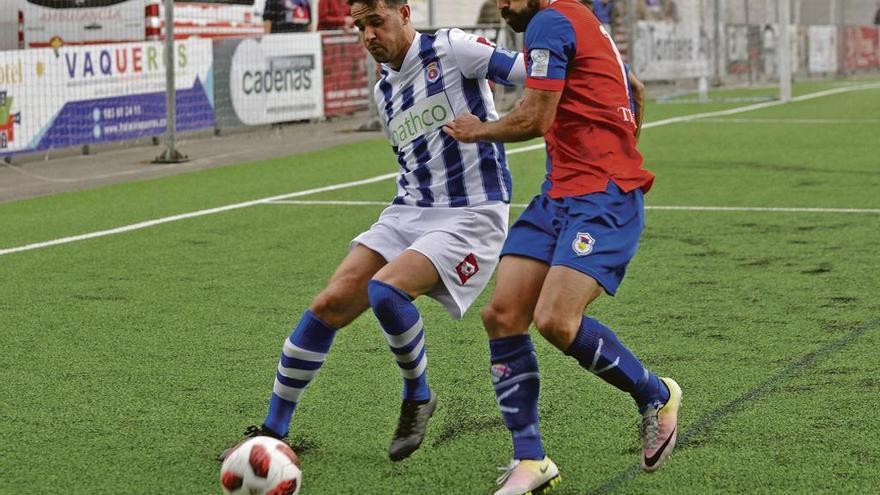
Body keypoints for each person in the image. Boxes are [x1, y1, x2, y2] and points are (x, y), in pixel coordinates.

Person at [221, 0, 527, 465]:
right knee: (328, 305)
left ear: (404, 13)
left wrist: (498, 124)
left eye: (376, 22)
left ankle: (418, 395)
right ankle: (272, 431)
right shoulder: (385, 91)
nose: (367, 36)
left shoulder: (452, 48)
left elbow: (529, 73)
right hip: (410, 210)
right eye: (359, 27)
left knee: (385, 292)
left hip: (472, 213)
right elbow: (411, 164)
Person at [444, 1, 681, 494]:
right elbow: (633, 89)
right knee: (503, 314)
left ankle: (656, 394)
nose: (504, 4)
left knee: (555, 320)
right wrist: (620, 138)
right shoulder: (582, 18)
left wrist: (477, 130)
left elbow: (535, 118)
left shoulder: (550, 21)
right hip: (559, 196)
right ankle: (530, 461)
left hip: (602, 198)